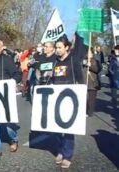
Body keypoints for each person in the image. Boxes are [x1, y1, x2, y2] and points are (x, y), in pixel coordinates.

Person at [53, 35, 84, 169]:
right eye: (56, 47)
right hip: (56, 98)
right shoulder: (55, 61)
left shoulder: (73, 60)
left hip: (70, 99)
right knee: (57, 128)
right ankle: (61, 150)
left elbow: (80, 80)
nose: (57, 50)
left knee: (69, 129)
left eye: (60, 47)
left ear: (67, 47)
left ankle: (67, 155)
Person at [82, 48, 101, 117]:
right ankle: (85, 111)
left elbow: (98, 69)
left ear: (92, 54)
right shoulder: (83, 60)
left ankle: (90, 112)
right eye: (87, 52)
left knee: (91, 100)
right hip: (84, 82)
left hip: (92, 83)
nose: (88, 54)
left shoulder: (96, 61)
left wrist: (90, 66)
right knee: (84, 99)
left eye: (90, 53)